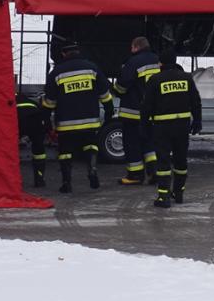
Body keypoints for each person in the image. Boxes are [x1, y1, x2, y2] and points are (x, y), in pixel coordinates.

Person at [41, 38, 112, 194]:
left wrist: (46, 122)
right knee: (91, 146)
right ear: (78, 51)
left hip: (66, 123)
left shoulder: (57, 73)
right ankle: (92, 169)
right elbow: (105, 94)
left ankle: (67, 183)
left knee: (65, 152)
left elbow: (49, 102)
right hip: (90, 120)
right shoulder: (92, 68)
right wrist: (109, 113)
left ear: (63, 53)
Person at [140, 50, 202, 209]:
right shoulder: (187, 78)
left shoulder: (155, 80)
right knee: (181, 160)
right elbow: (195, 101)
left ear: (161, 63)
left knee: (163, 162)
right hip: (182, 127)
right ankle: (179, 193)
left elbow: (147, 106)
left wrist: (144, 124)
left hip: (162, 128)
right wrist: (197, 120)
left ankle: (163, 197)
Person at [110, 36, 162, 186]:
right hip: (152, 112)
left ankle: (135, 175)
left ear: (136, 47)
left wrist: (115, 90)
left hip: (133, 112)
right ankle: (154, 172)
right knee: (149, 143)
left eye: (132, 47)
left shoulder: (133, 62)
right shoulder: (157, 60)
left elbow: (122, 86)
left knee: (132, 143)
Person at [16, 91, 50, 189]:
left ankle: (11, 179)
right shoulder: (30, 101)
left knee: (10, 147)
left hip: (18, 118)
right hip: (36, 119)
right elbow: (44, 115)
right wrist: (47, 130)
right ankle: (39, 179)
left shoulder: (8, 98)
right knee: (39, 150)